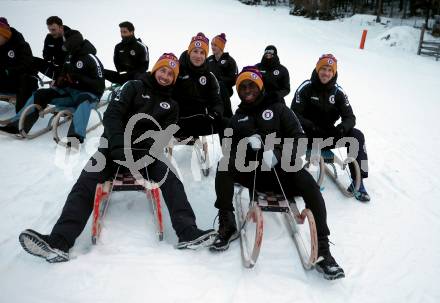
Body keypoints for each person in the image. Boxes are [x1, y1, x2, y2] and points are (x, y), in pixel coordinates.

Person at [18, 53, 217, 263]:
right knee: (86, 181)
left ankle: (187, 232)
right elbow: (112, 114)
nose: (166, 76)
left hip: (144, 154)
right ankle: (60, 241)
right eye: (163, 70)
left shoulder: (172, 106)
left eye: (170, 74)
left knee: (172, 179)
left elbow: (162, 136)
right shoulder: (133, 86)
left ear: (174, 79)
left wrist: (146, 154)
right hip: (112, 148)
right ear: (155, 69)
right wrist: (119, 145)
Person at [212, 66, 345, 280]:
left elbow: (300, 140)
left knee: (310, 185)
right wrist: (247, 147)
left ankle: (323, 250)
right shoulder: (238, 119)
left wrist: (278, 153)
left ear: (260, 86)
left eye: (251, 85)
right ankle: (227, 224)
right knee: (224, 165)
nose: (247, 90)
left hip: (284, 172)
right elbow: (230, 150)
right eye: (242, 86)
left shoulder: (280, 109)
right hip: (255, 175)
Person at [0, 30, 105, 143]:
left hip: (88, 95)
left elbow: (100, 85)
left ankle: (75, 136)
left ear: (72, 41)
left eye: (65, 40)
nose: (62, 42)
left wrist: (79, 79)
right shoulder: (69, 57)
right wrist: (61, 81)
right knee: (41, 94)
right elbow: (63, 76)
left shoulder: (91, 58)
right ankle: (17, 125)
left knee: (84, 99)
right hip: (69, 93)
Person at [290, 54, 370, 202]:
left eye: (329, 70)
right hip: (306, 136)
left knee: (356, 136)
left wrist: (340, 129)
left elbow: (350, 117)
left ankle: (358, 183)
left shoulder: (338, 92)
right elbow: (293, 114)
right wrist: (311, 126)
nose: (326, 73)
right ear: (317, 69)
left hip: (328, 135)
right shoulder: (305, 88)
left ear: (333, 73)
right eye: (323, 69)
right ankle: (290, 179)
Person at [173, 32, 224, 139]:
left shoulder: (210, 76)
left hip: (201, 120)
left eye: (202, 53)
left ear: (205, 56)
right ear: (189, 52)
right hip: (178, 120)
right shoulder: (177, 71)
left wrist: (214, 114)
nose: (198, 56)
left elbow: (217, 102)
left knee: (226, 124)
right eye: (195, 51)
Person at [0, 17, 38, 112]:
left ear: (5, 34)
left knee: (25, 78)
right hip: (6, 82)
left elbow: (27, 65)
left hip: (22, 82)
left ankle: (21, 118)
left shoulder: (21, 45)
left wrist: (8, 71)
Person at [104, 21, 149, 85]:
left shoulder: (141, 46)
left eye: (124, 32)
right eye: (121, 32)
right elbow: (116, 62)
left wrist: (131, 74)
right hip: (122, 76)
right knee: (101, 71)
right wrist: (122, 73)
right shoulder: (118, 47)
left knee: (144, 75)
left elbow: (144, 66)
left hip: (136, 77)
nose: (122, 34)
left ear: (131, 32)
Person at [207, 33, 238, 118]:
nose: (212, 47)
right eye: (212, 45)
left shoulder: (230, 60)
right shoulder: (209, 60)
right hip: (210, 91)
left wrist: (218, 80)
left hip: (224, 92)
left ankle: (229, 120)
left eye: (215, 45)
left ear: (221, 46)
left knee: (224, 115)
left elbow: (234, 79)